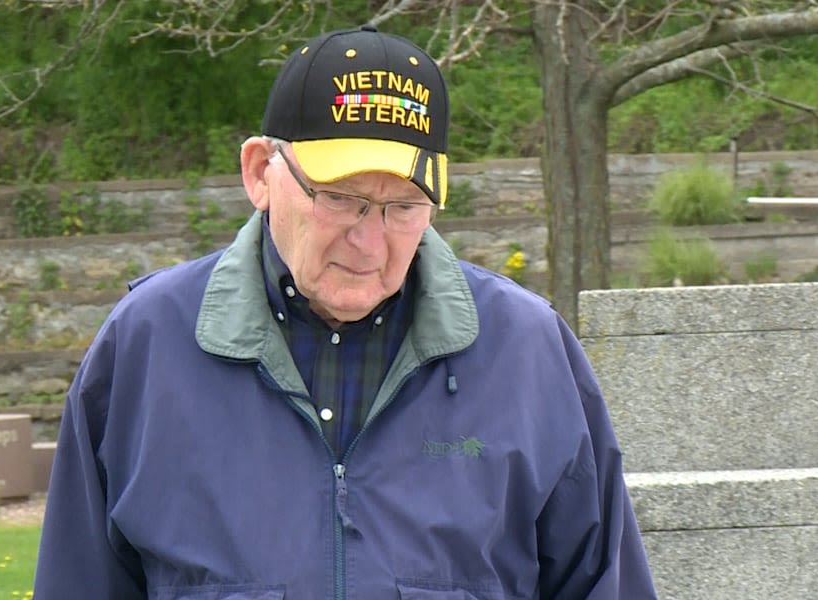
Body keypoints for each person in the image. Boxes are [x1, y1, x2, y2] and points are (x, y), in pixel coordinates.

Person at [34, 25, 658, 599]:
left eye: (404, 207)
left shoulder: (528, 350)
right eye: (341, 199)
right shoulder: (145, 344)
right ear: (259, 171)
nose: (370, 241)